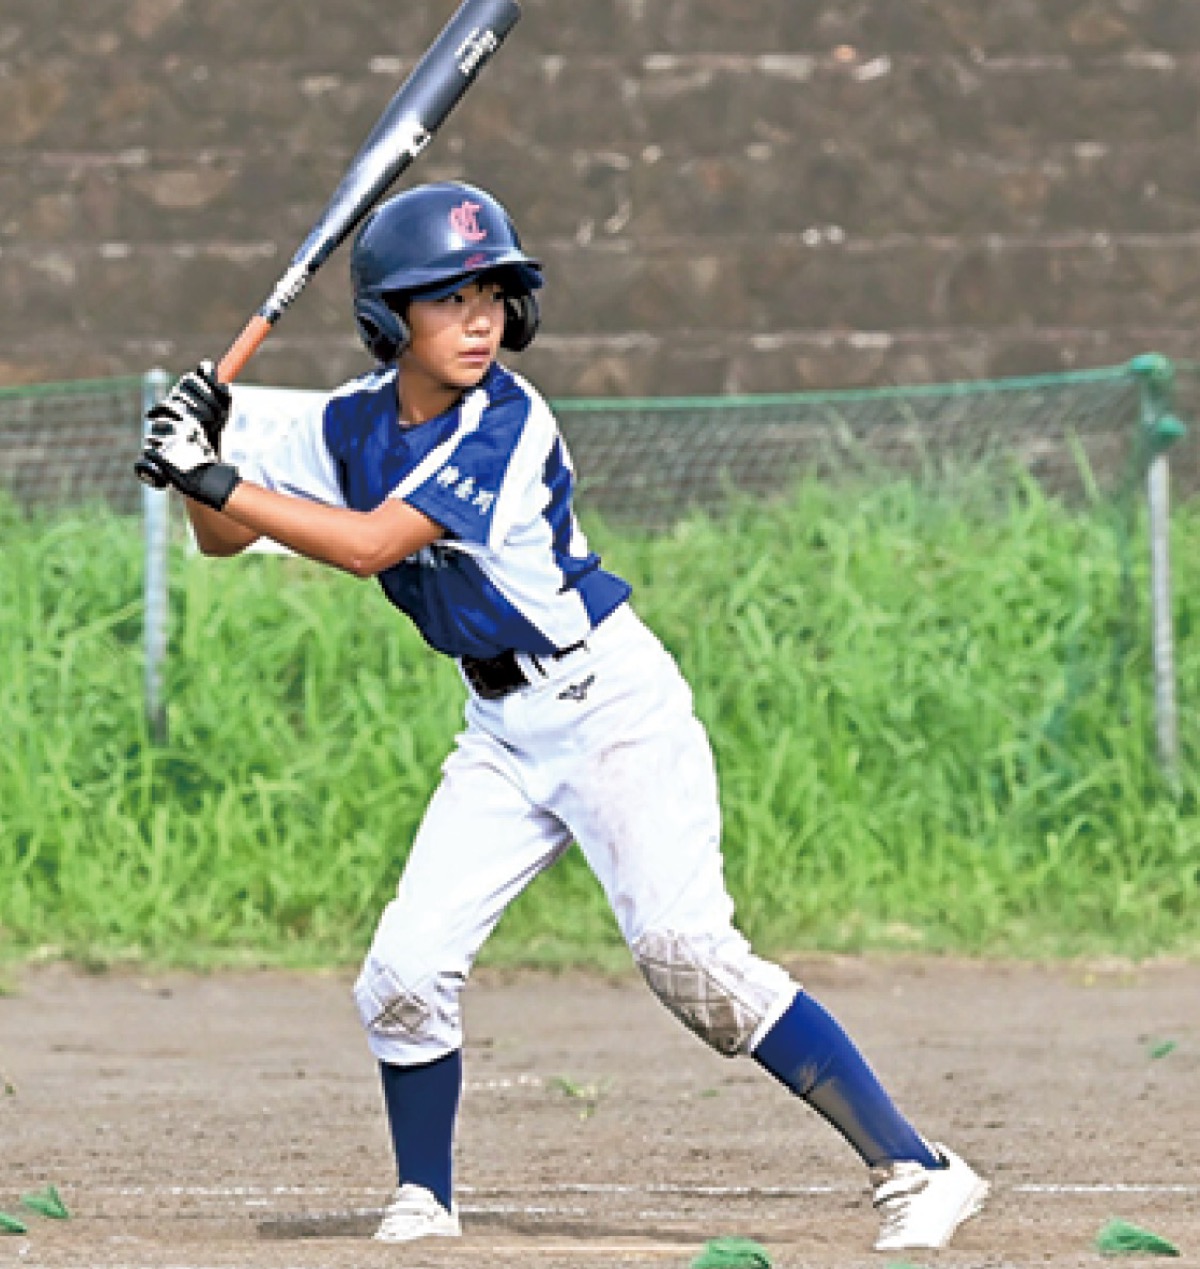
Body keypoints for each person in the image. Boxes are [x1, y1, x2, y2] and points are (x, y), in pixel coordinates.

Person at [138, 180, 989, 1252]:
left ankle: (918, 1168)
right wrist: (198, 464)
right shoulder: (352, 421)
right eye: (449, 298)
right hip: (501, 727)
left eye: (494, 294)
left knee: (688, 957)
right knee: (403, 972)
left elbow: (367, 547)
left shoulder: (506, 423)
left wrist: (210, 472)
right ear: (389, 319)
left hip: (609, 709)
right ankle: (425, 1198)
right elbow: (224, 537)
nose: (481, 319)